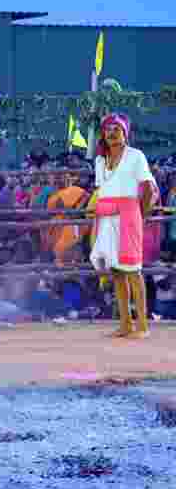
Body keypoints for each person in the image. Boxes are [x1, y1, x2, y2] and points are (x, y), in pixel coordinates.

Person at [89, 113, 158, 339]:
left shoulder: (135, 156)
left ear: (125, 133)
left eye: (116, 129)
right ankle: (126, 324)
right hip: (107, 217)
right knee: (117, 272)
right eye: (107, 129)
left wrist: (142, 214)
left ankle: (143, 327)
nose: (111, 133)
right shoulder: (100, 161)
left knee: (134, 271)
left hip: (129, 215)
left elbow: (148, 188)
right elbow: (102, 191)